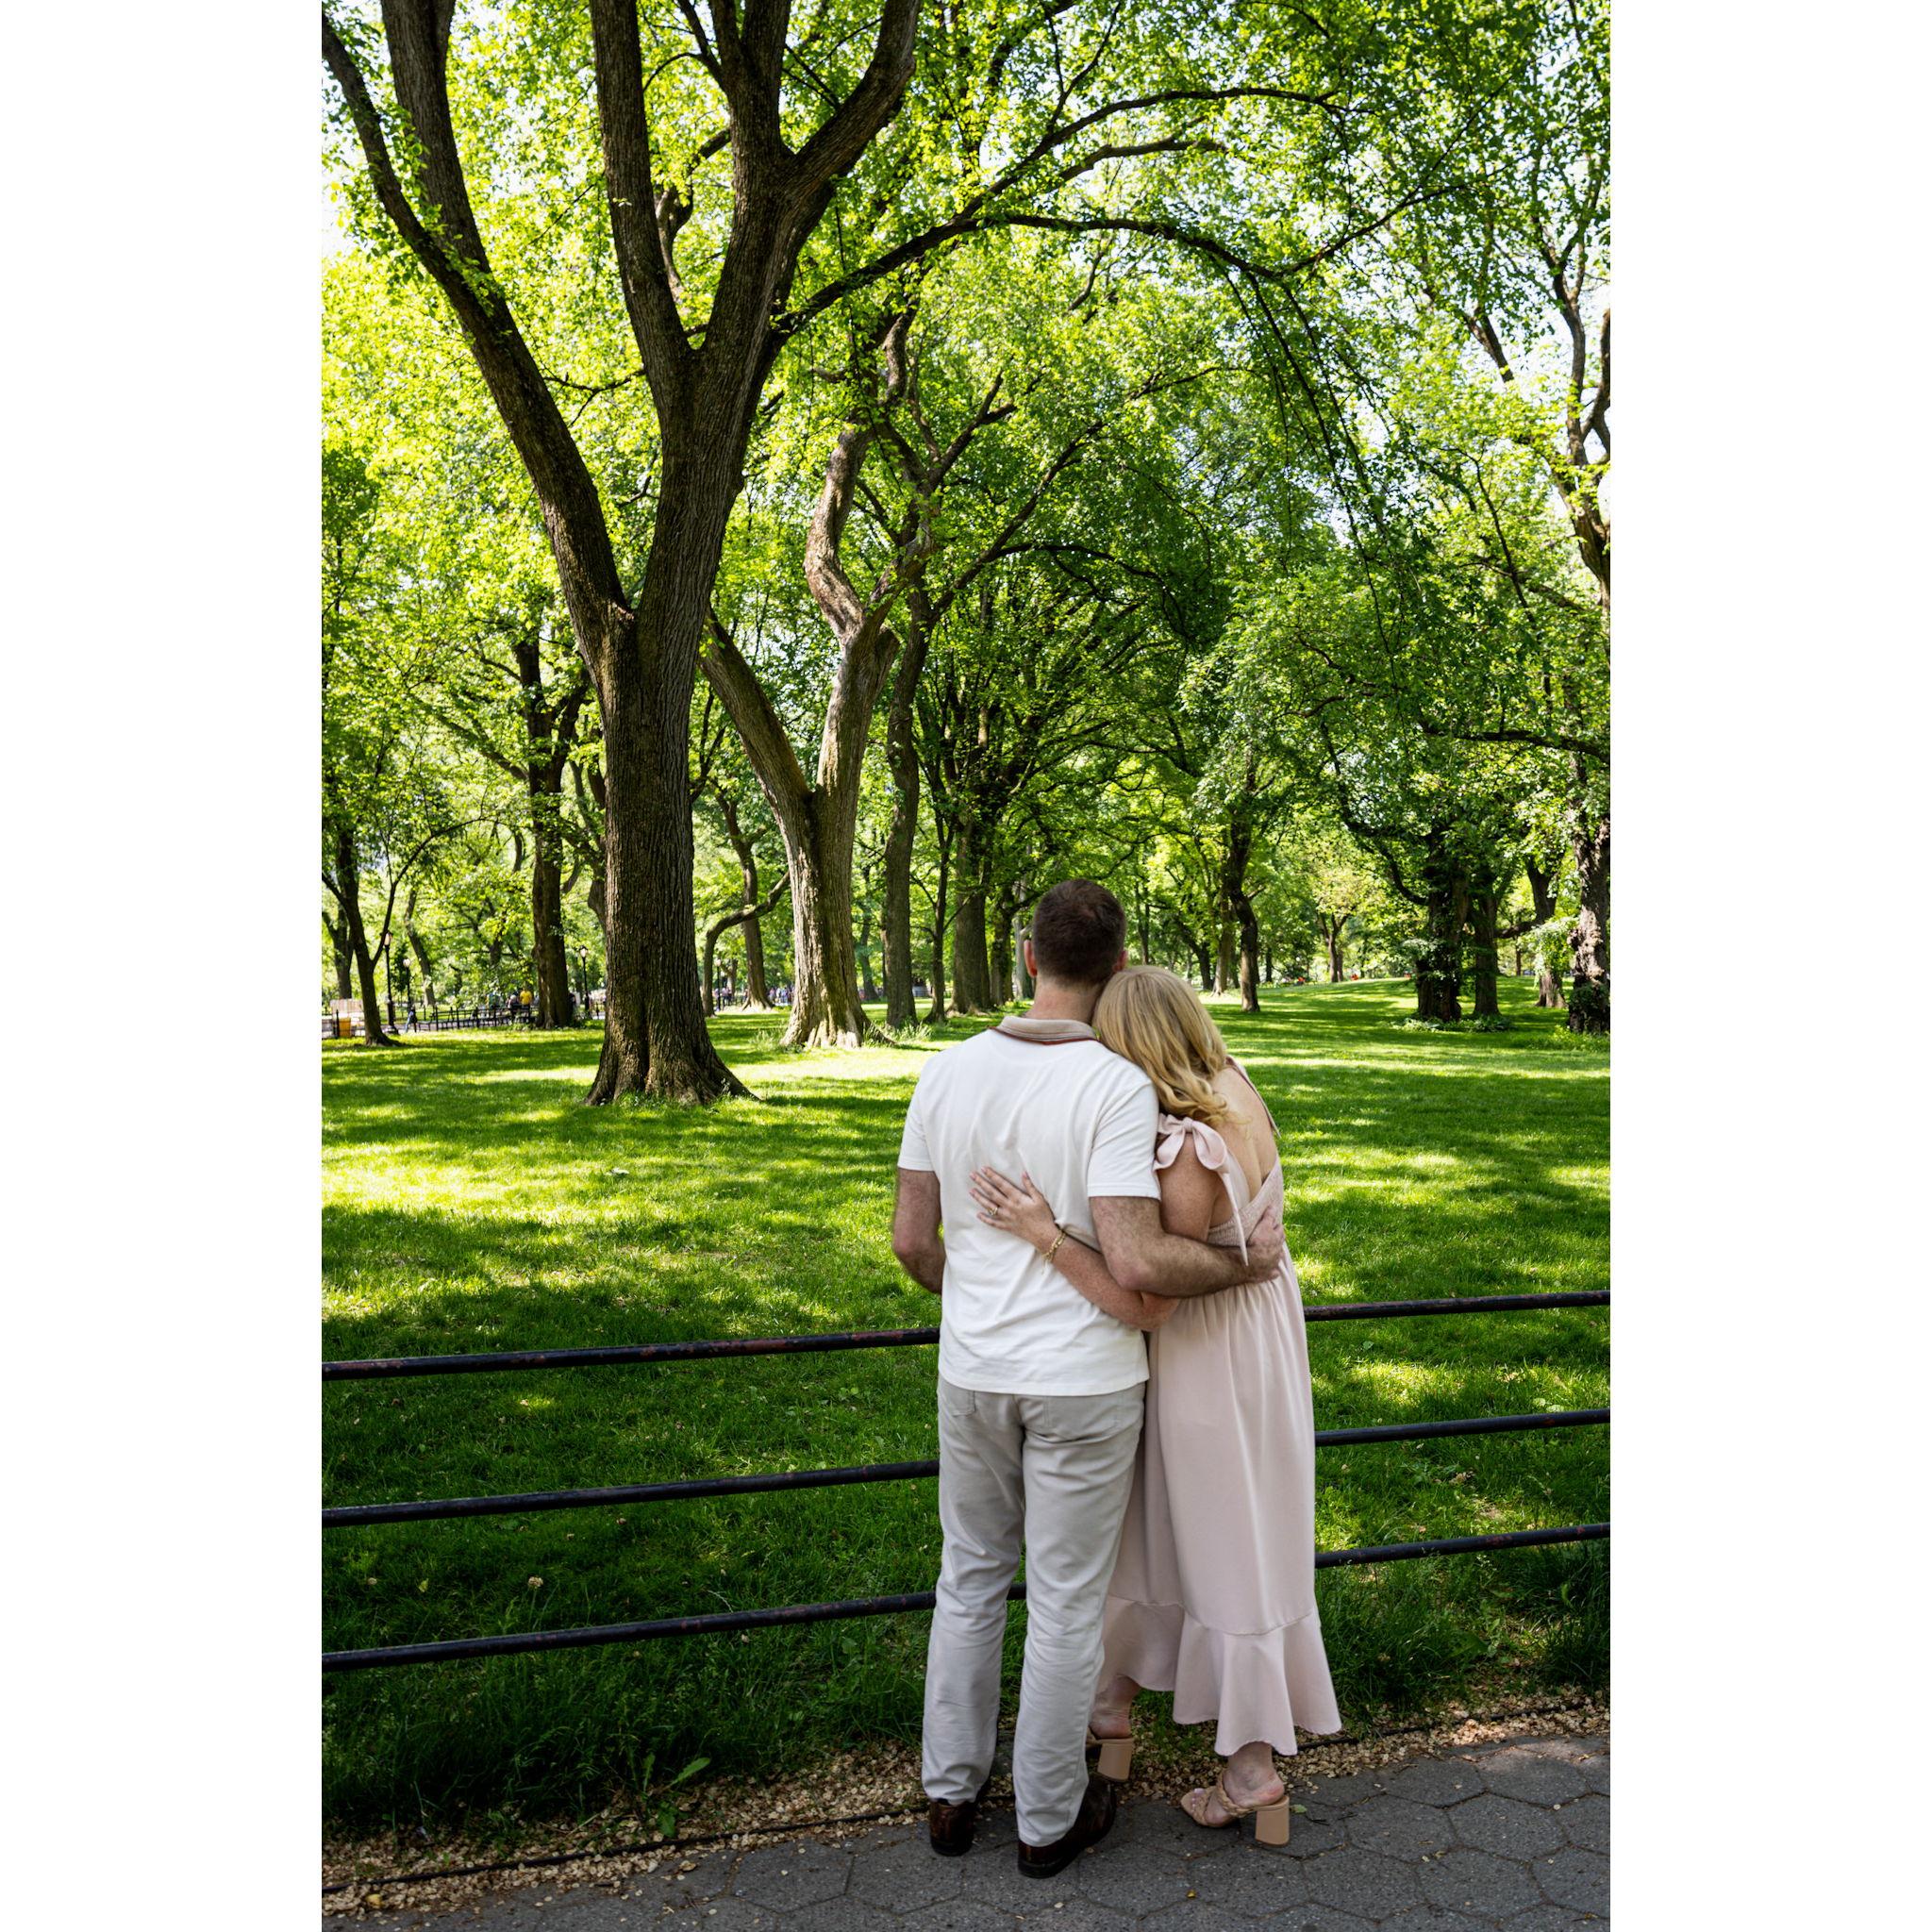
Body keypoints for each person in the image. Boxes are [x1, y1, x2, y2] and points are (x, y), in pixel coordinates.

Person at [891, 883, 1285, 1878]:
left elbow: (910, 1240)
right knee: (1065, 1599)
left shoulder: (940, 1072)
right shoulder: (1112, 1084)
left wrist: (978, 1293)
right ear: (1115, 968)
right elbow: (1137, 1260)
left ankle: (948, 1794)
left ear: (1026, 956)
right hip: (1082, 1377)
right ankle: (1044, 1823)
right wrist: (1244, 1263)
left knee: (968, 1576)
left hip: (970, 1367)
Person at [969, 966, 1341, 1847]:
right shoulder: (1235, 1085)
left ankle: (1251, 1772)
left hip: (1202, 1349)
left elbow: (1155, 1279)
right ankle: (1110, 1712)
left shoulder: (1180, 1142)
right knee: (1162, 1528)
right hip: (1262, 1337)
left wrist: (1046, 1234)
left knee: (1219, 1538)